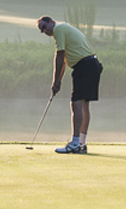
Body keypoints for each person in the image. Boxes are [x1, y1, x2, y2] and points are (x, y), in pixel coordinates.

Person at [37, 15, 103, 154]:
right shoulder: (63, 30)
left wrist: (55, 81)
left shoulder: (58, 29)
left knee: (76, 104)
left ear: (51, 22)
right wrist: (58, 81)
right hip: (92, 65)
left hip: (85, 66)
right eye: (41, 30)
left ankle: (75, 143)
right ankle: (81, 143)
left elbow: (60, 56)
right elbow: (63, 63)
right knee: (84, 105)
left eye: (44, 27)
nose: (44, 31)